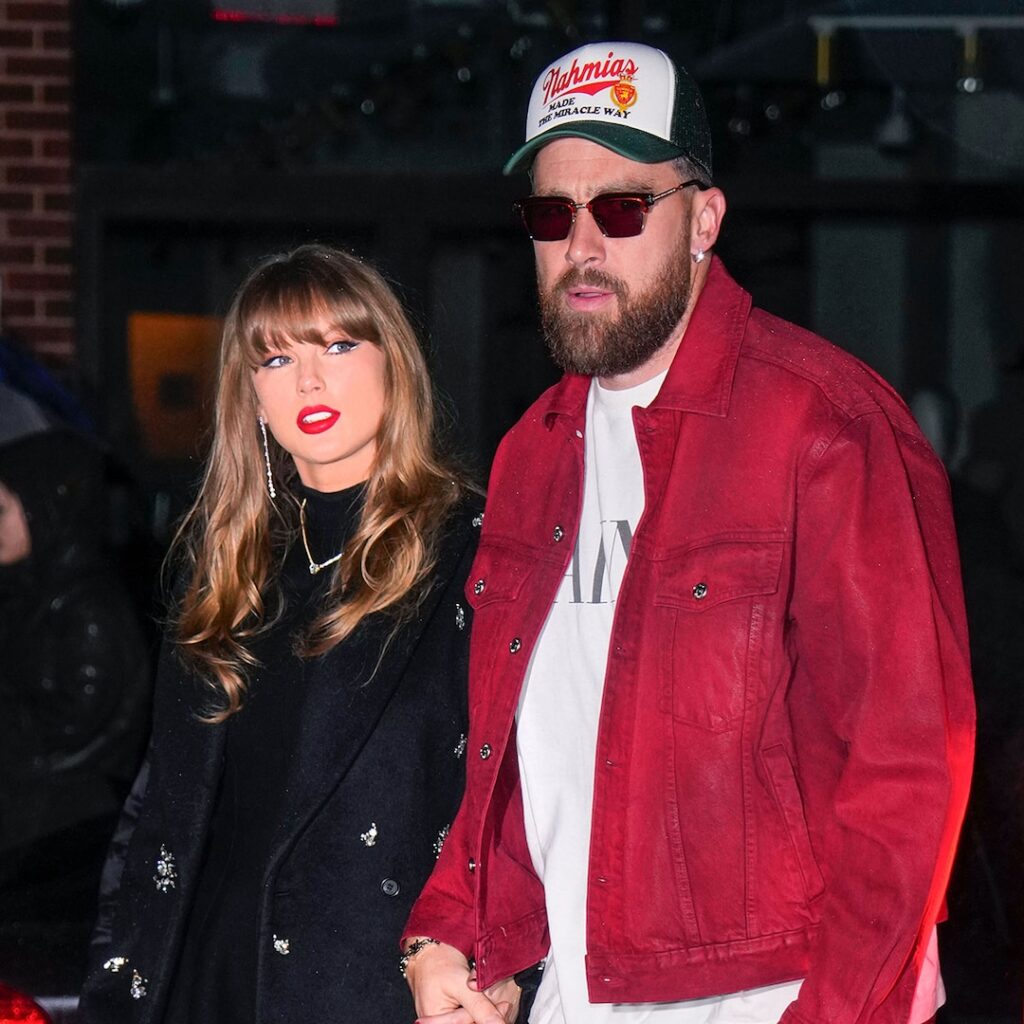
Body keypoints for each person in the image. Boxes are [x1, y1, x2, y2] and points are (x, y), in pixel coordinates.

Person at [401, 41, 975, 1024]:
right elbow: (530, 744)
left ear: (704, 220)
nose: (582, 246)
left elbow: (910, 768)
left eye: (623, 209)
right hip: (575, 991)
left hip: (773, 994)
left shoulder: (825, 426)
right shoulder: (532, 451)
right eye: (551, 215)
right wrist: (453, 928)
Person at [78, 244, 483, 1023]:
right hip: (195, 984)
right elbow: (157, 807)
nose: (308, 381)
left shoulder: (469, 555)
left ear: (394, 364)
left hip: (367, 992)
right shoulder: (229, 568)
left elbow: (514, 800)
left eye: (338, 345)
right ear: (252, 395)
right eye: (275, 358)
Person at [0, 428, 150, 880]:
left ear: (45, 507)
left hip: (66, 831)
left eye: (2, 510)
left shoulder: (89, 609)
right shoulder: (28, 592)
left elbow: (70, 726)